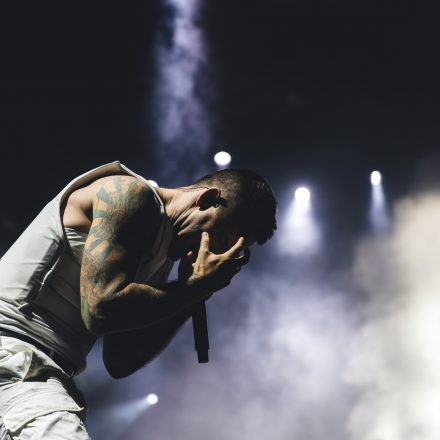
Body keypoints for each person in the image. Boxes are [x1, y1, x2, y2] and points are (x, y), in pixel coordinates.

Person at [0, 160, 277, 439]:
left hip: (32, 371)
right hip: (15, 358)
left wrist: (193, 294)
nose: (216, 252)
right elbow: (100, 310)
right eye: (223, 238)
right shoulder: (132, 195)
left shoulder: (160, 259)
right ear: (206, 200)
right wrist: (193, 288)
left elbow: (119, 361)